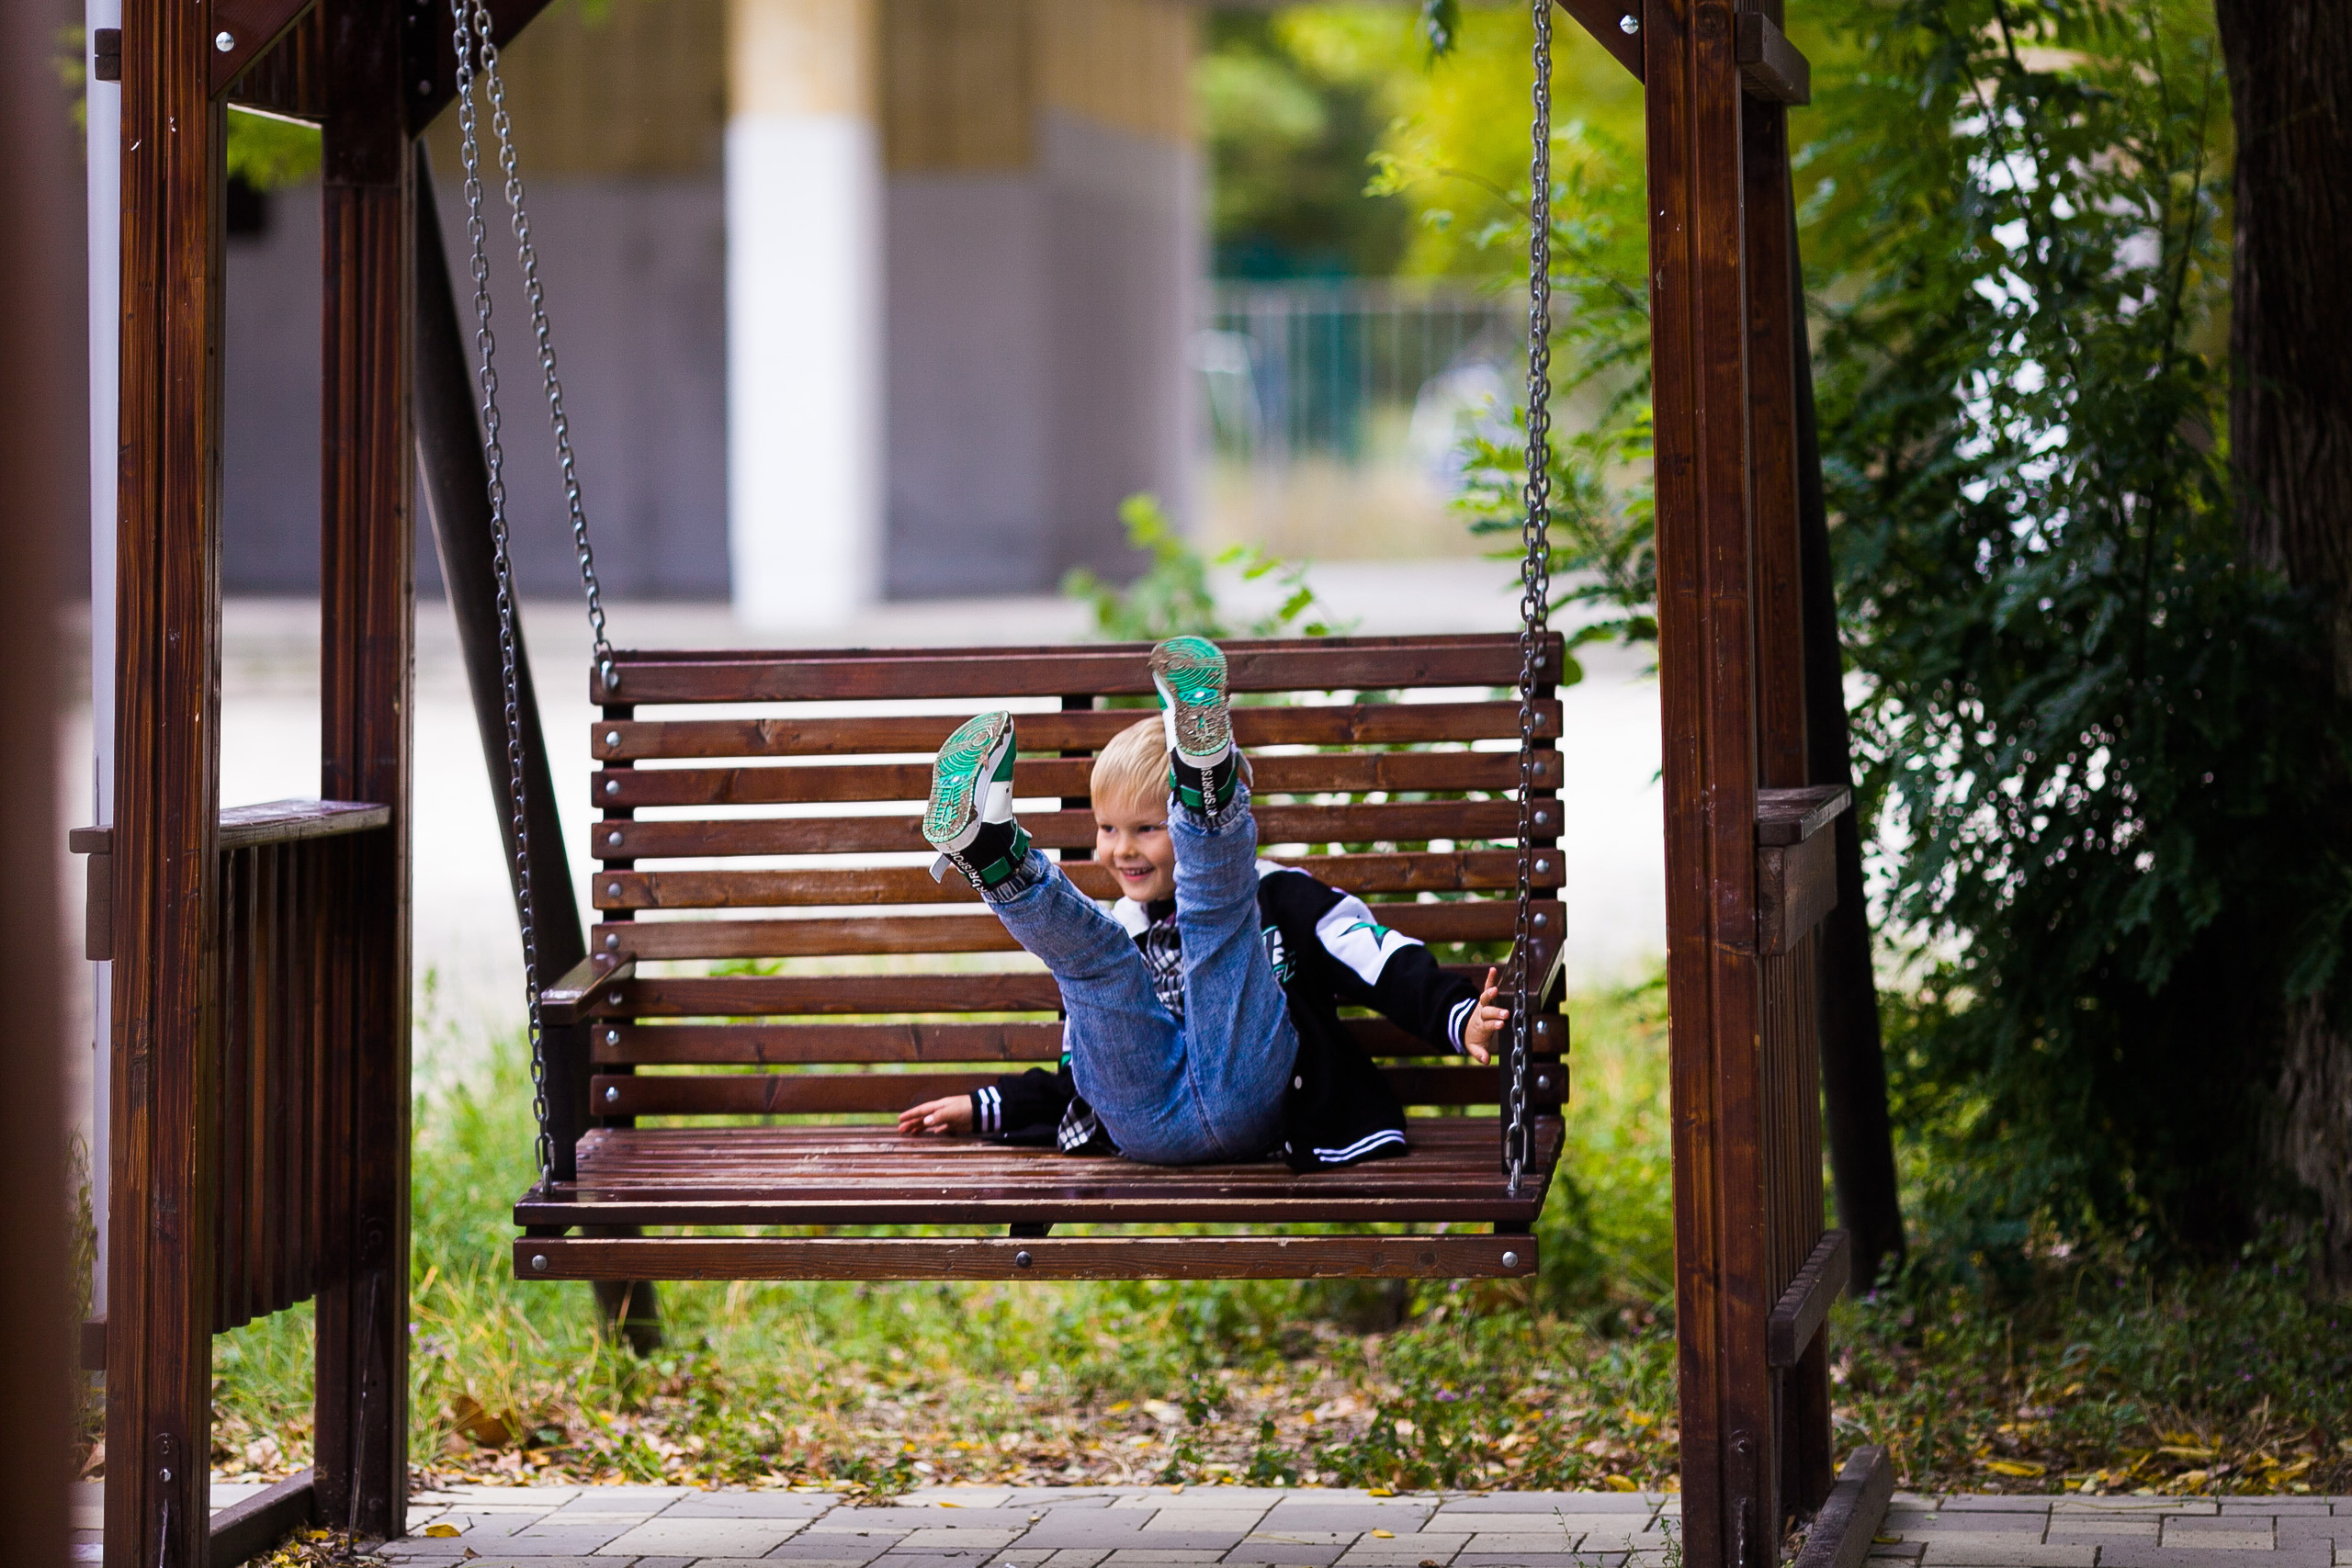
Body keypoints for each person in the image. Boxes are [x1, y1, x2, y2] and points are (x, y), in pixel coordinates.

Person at [897, 634, 1510, 1169]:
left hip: (1254, 1101)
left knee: (1218, 919)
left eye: (1147, 827)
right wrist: (986, 1108)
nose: (1121, 850)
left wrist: (1460, 1015)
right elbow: (1091, 1066)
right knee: (1094, 960)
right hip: (1143, 1121)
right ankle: (992, 854)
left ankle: (1206, 790)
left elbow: (1378, 961)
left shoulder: (1282, 897)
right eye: (1108, 829)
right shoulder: (1124, 923)